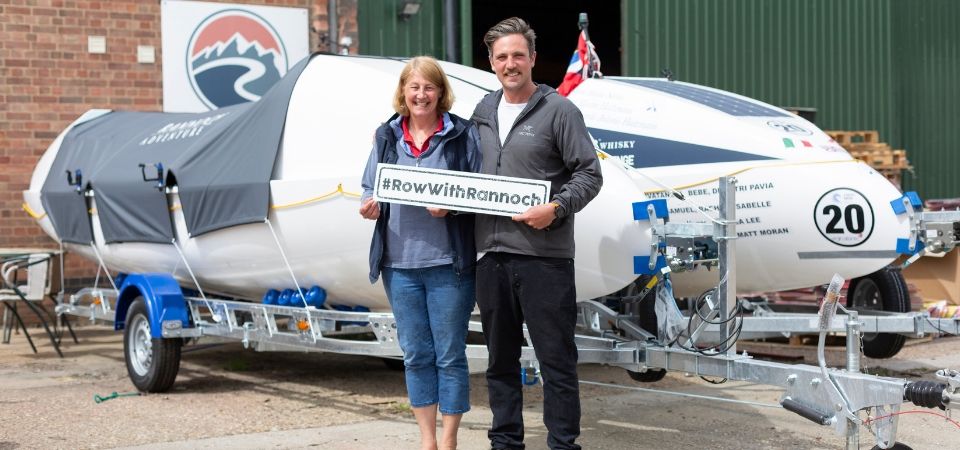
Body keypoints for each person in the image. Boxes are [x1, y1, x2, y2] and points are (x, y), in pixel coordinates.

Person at [470, 17, 603, 450]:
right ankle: (505, 442)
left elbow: (589, 173)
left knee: (557, 362)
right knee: (499, 363)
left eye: (518, 55)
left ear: (532, 58)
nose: (511, 64)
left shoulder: (559, 110)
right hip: (490, 257)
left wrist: (558, 207)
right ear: (492, 62)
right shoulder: (482, 112)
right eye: (502, 56)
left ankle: (564, 444)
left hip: (545, 259)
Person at [359, 56, 481, 450]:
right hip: (399, 265)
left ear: (441, 92)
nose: (421, 95)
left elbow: (480, 189)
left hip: (449, 264)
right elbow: (369, 186)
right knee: (415, 354)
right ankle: (426, 440)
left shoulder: (462, 135)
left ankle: (449, 440)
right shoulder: (386, 135)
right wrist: (369, 205)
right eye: (414, 87)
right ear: (403, 92)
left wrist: (453, 205)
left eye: (429, 87)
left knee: (449, 354)